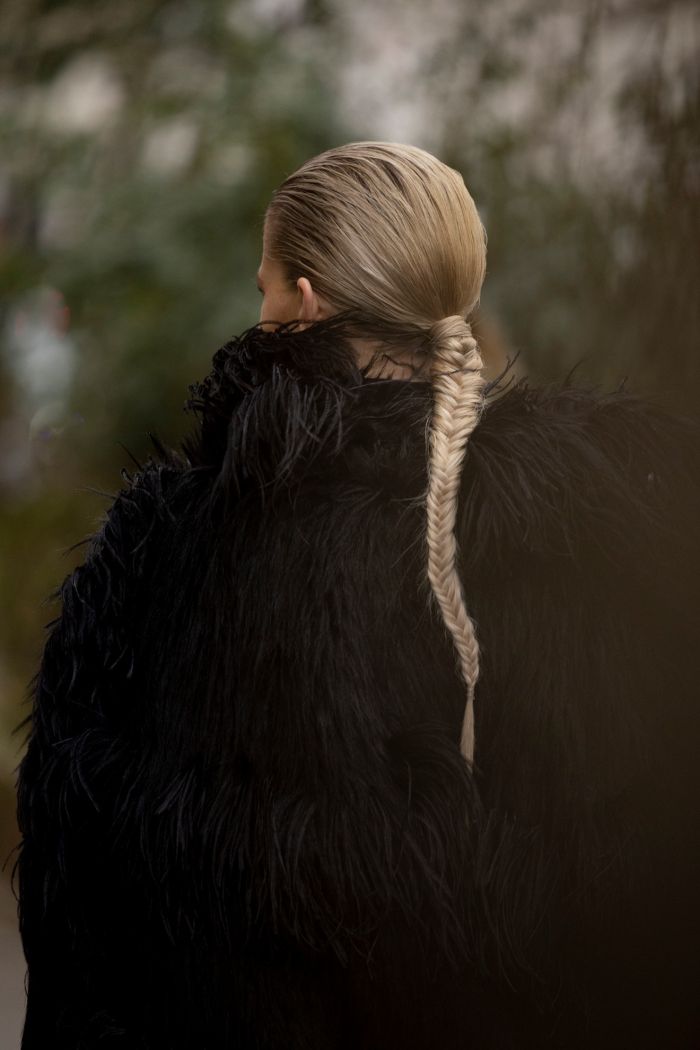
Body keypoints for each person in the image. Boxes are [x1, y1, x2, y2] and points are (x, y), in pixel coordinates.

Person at [13, 141, 700, 1049]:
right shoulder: (604, 528)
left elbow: (76, 908)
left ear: (303, 300)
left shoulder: (162, 551)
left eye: (263, 286)